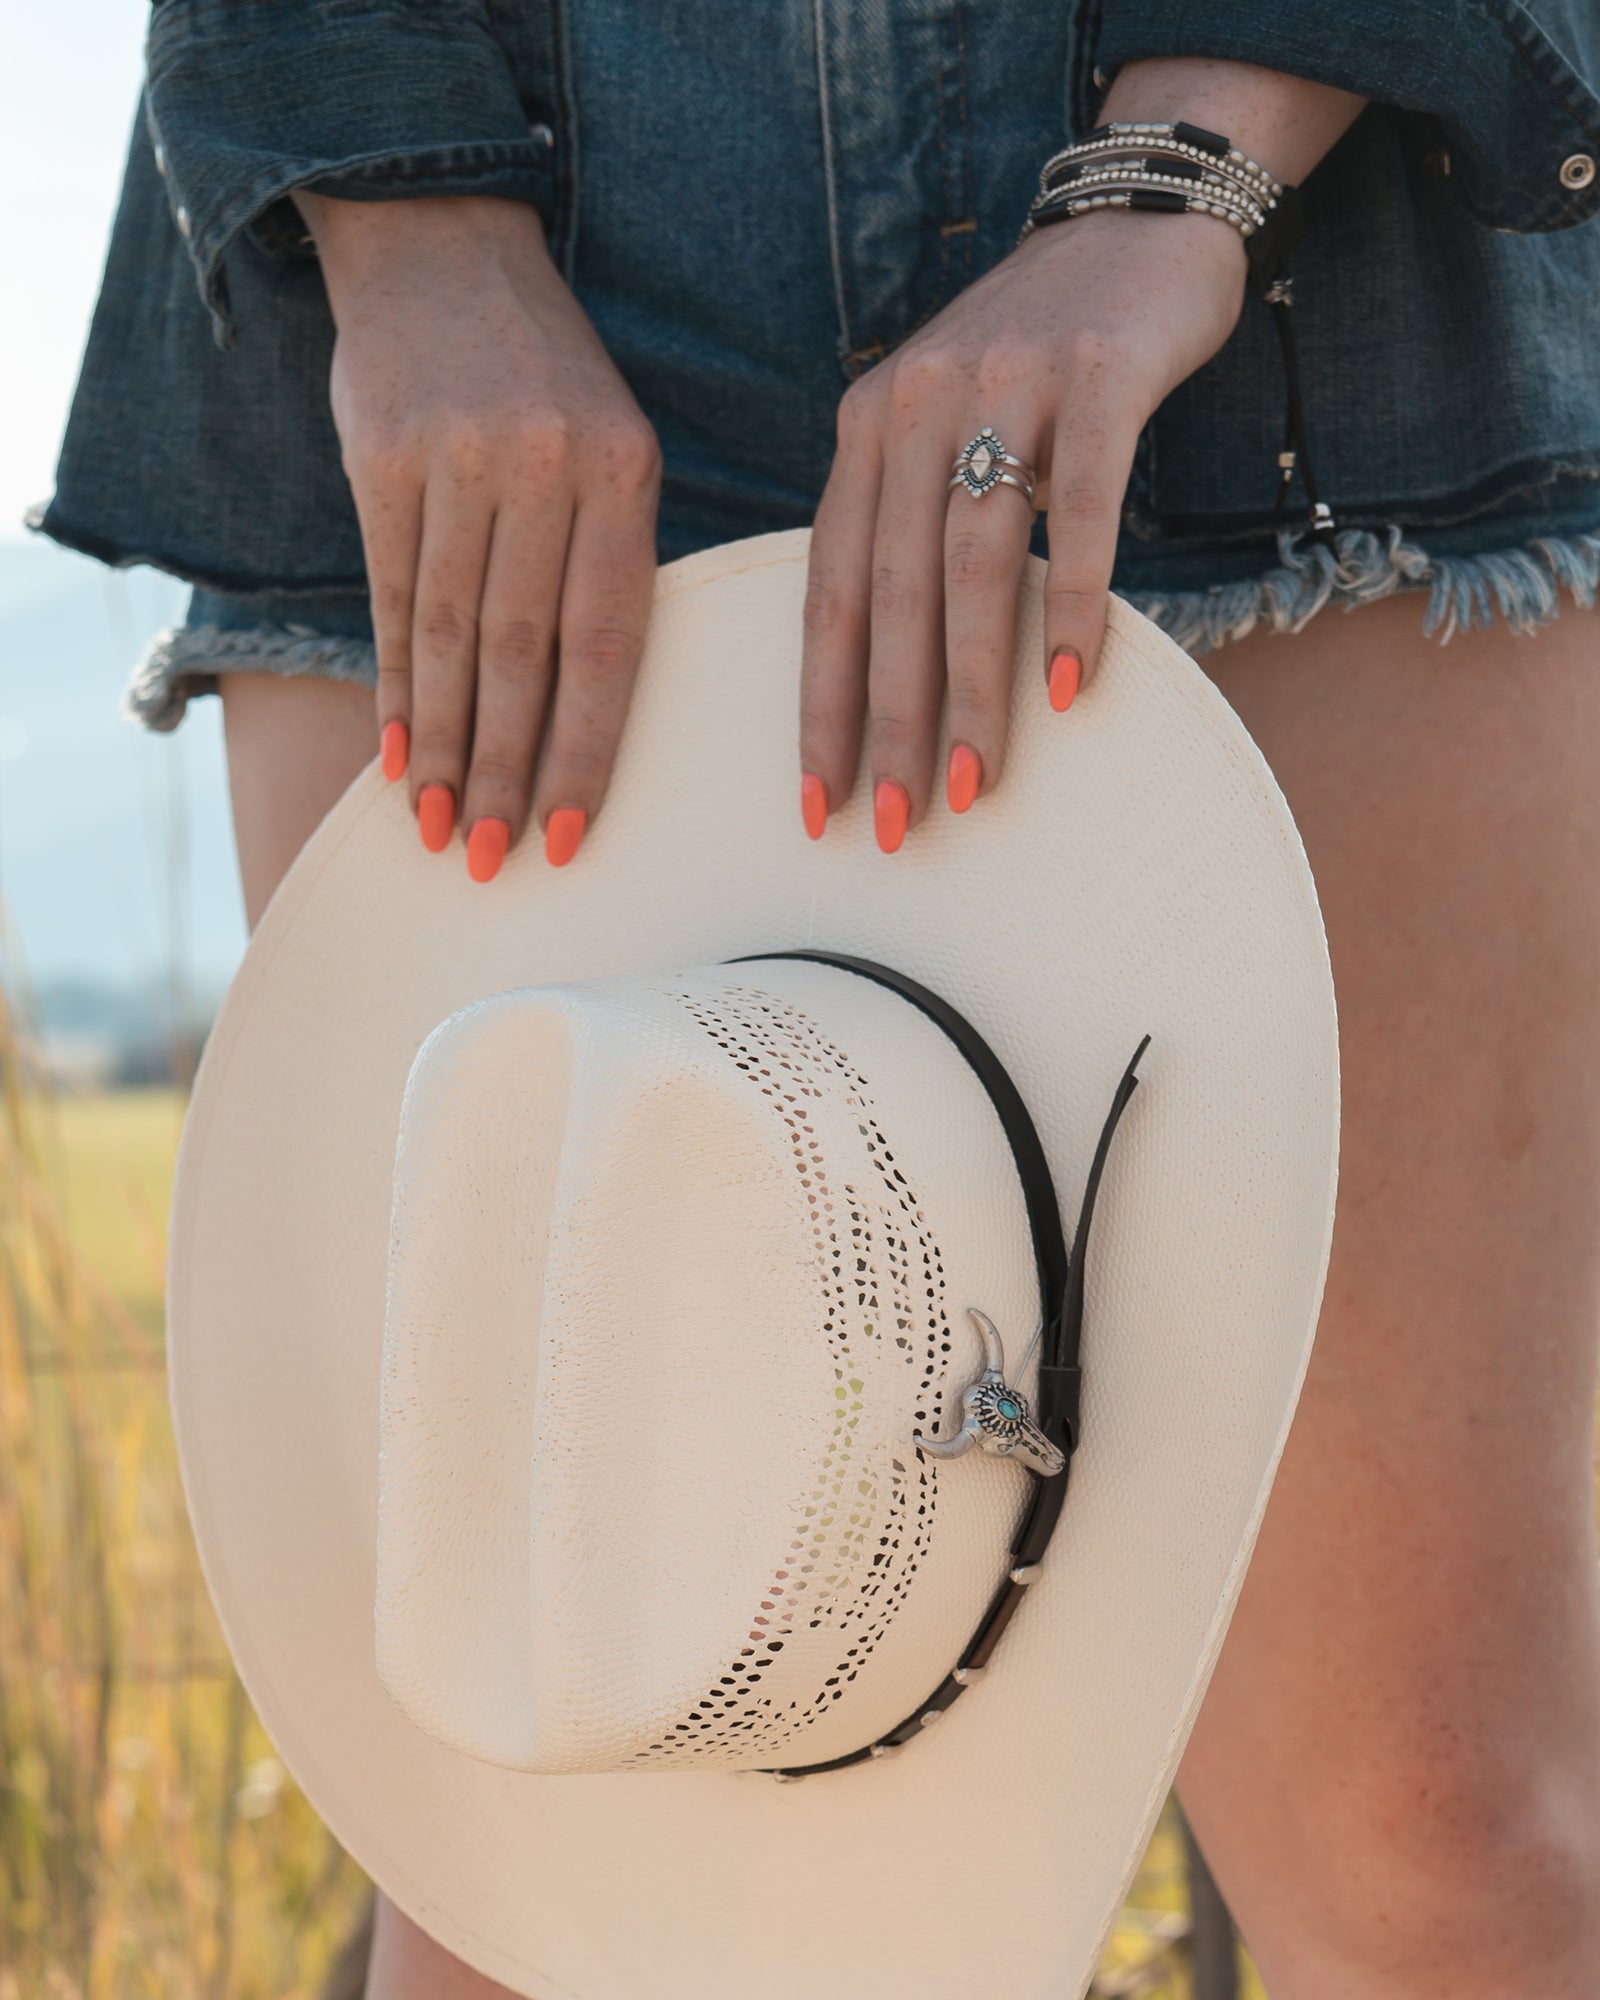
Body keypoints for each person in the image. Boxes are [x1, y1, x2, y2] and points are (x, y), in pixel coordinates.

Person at [29, 4, 1600, 1995]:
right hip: (475, 255)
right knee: (550, 1850)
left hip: (1307, 242)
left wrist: (1184, 175)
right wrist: (408, 226)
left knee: (1432, 1834)